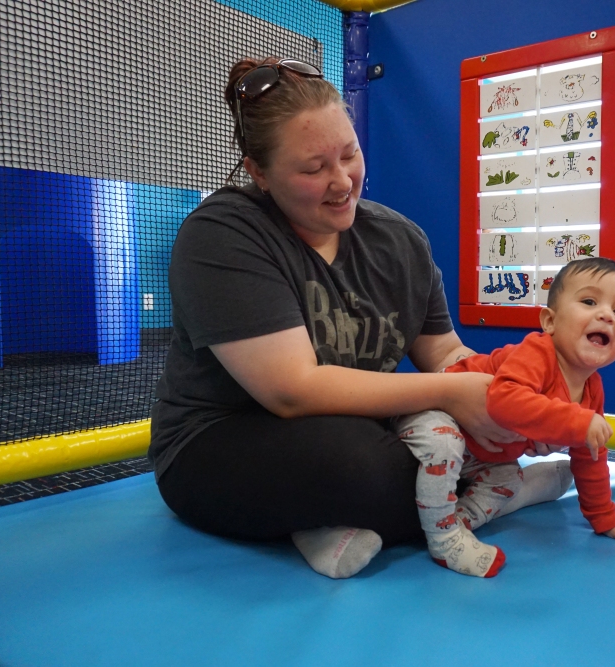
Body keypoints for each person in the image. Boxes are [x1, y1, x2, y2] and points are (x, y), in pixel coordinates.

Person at [147, 57, 571, 580]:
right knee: (361, 469)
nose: (343, 181)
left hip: (354, 429)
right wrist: (458, 394)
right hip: (219, 441)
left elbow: (443, 355)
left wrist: (516, 392)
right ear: (258, 172)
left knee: (437, 453)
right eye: (312, 168)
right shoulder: (223, 234)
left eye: (350, 154)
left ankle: (325, 521)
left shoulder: (399, 240)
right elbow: (291, 390)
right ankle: (506, 492)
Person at [396, 258, 615, 578]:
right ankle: (442, 539)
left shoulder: (591, 388)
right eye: (589, 301)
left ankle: (455, 521)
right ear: (549, 321)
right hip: (436, 413)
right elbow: (503, 401)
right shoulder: (538, 353)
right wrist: (576, 421)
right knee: (444, 442)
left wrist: (605, 517)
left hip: (479, 452)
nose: (606, 314)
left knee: (507, 479)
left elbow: (591, 455)